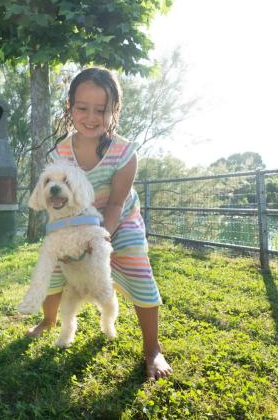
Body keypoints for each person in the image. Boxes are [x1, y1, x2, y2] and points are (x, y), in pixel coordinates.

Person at [26, 67, 173, 380]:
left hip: (119, 217)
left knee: (136, 266)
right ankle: (49, 320)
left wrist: (101, 241)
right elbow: (60, 199)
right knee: (55, 265)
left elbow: (117, 204)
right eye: (82, 108)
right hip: (78, 219)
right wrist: (67, 241)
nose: (91, 117)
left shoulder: (124, 152)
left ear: (114, 111)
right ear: (70, 107)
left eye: (101, 110)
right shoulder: (61, 151)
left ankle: (152, 348)